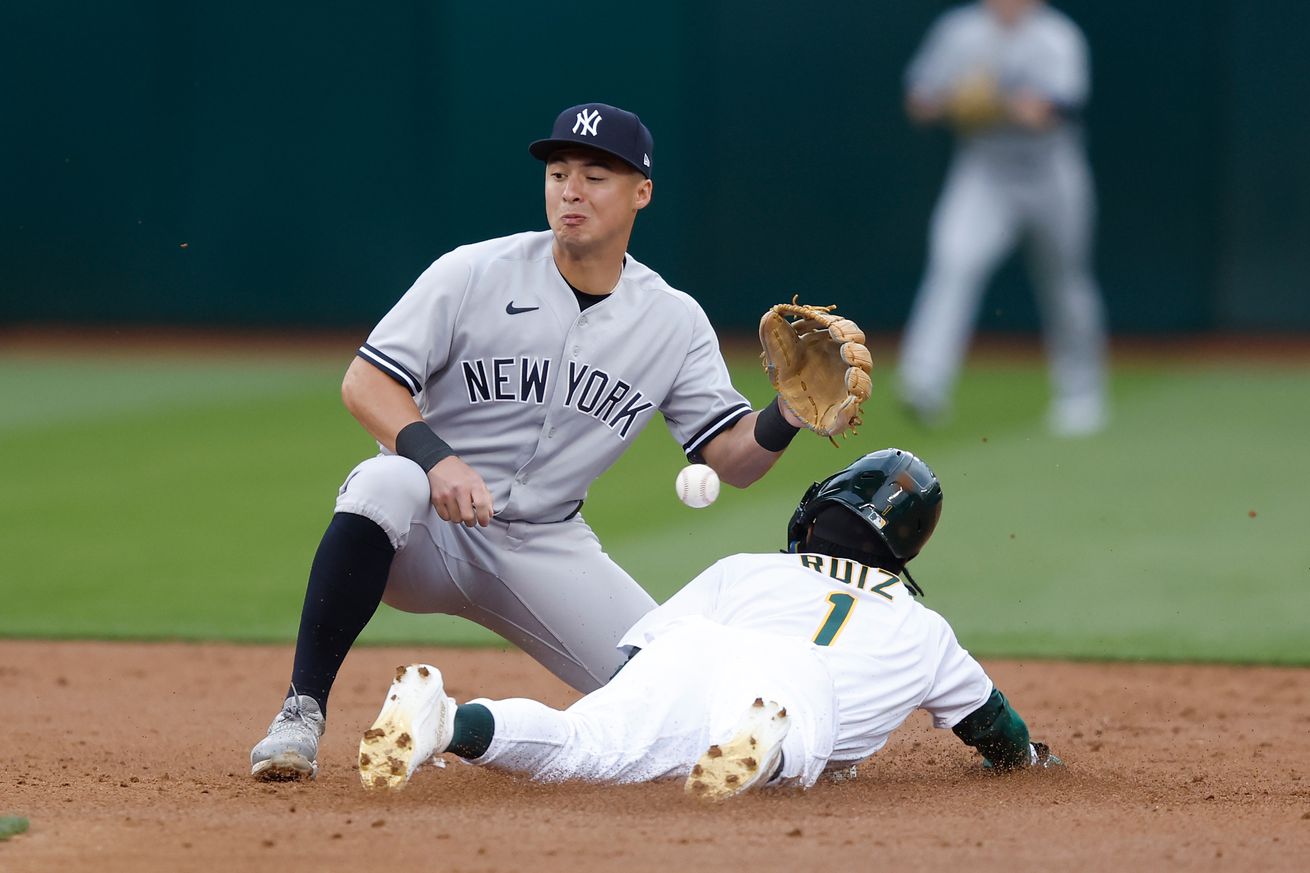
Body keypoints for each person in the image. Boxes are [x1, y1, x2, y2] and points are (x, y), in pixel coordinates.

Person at [249, 102, 828, 781]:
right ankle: (300, 711)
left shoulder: (672, 321)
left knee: (668, 686)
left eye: (594, 175)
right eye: (558, 173)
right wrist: (437, 458)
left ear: (641, 192)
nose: (570, 189)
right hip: (427, 528)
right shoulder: (473, 272)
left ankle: (445, 719)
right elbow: (365, 382)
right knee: (381, 481)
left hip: (545, 547)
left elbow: (732, 459)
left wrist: (787, 411)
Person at [356, 448, 1063, 800]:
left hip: (700, 652)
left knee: (583, 742)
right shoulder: (925, 629)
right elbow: (995, 727)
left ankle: (447, 720)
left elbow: (639, 659)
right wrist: (1027, 759)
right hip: (795, 686)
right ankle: (765, 744)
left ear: (823, 510)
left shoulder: (748, 567)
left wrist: (645, 710)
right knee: (804, 723)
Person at [897, 0, 1109, 436]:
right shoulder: (959, 32)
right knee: (953, 263)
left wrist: (992, 101)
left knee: (1065, 279)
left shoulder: (1056, 36)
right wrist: (951, 100)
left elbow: (1052, 111)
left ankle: (1082, 393)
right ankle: (924, 382)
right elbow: (918, 101)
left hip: (1051, 173)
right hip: (985, 172)